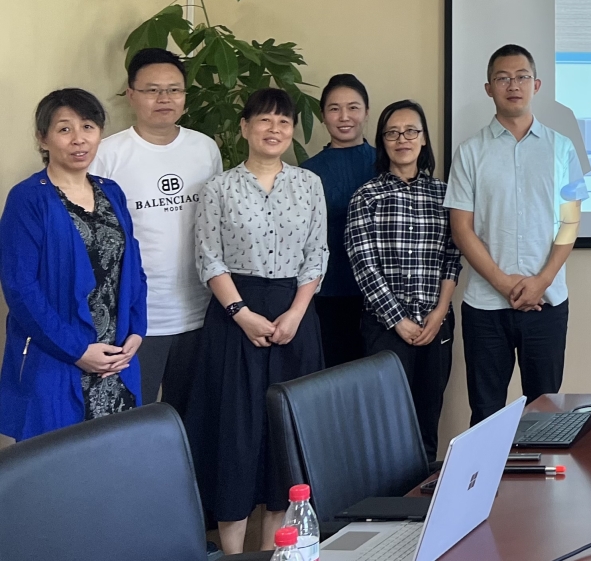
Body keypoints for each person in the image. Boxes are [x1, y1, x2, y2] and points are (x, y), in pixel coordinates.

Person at [185, 88, 328, 555]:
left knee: (285, 436)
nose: (274, 129)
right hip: (234, 319)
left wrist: (296, 313)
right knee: (236, 434)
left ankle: (274, 551)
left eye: (283, 122)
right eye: (264, 120)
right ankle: (233, 553)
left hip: (294, 318)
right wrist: (241, 314)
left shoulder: (308, 184)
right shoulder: (219, 187)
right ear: (245, 127)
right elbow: (209, 258)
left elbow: (316, 255)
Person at [447, 45, 587, 424]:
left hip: (547, 303)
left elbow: (570, 223)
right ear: (489, 88)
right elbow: (461, 228)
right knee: (486, 414)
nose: (514, 85)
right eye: (503, 78)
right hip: (485, 308)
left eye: (522, 77)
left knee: (546, 414)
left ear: (536, 85)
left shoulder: (563, 149)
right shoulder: (469, 152)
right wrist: (503, 282)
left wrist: (542, 281)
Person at [0, 89, 147, 441]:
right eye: (64, 129)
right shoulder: (28, 198)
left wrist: (136, 331)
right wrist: (77, 351)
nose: (79, 139)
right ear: (43, 138)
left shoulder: (111, 191)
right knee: (59, 463)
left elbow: (133, 268)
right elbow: (20, 288)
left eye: (88, 127)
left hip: (116, 358)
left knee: (118, 456)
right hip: (56, 359)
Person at [89, 48, 222, 411]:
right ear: (131, 95)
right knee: (134, 420)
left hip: (201, 311)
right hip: (137, 320)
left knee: (192, 418)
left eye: (174, 89)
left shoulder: (205, 148)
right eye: (152, 90)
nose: (164, 98)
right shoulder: (107, 155)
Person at [345, 100, 461, 462]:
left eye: (411, 131)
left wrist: (440, 312)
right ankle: (390, 496)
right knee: (386, 425)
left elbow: (453, 256)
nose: (402, 139)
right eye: (392, 133)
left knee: (428, 420)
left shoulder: (445, 195)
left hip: (436, 324)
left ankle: (422, 493)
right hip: (384, 327)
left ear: (423, 139)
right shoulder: (367, 196)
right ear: (383, 141)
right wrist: (398, 320)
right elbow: (363, 264)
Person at [301, 73, 376, 368]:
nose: (344, 117)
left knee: (379, 382)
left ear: (367, 112)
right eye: (334, 108)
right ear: (323, 115)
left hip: (382, 296)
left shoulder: (388, 164)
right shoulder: (305, 174)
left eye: (353, 107)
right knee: (331, 381)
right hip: (326, 295)